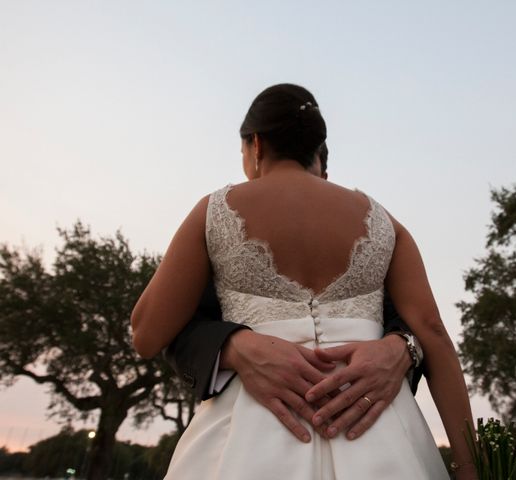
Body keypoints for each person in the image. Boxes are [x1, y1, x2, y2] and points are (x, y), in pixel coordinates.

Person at [131, 84, 476, 479]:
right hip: (379, 428)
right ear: (317, 148)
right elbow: (432, 331)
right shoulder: (384, 222)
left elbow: (146, 333)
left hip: (250, 433)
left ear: (256, 145)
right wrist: (469, 467)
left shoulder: (214, 212)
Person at [163, 143, 427, 443]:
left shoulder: (376, 239)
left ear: (324, 175)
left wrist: (404, 348)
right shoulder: (221, 236)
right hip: (248, 429)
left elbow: (421, 324)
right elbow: (171, 329)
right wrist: (233, 347)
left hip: (376, 428)